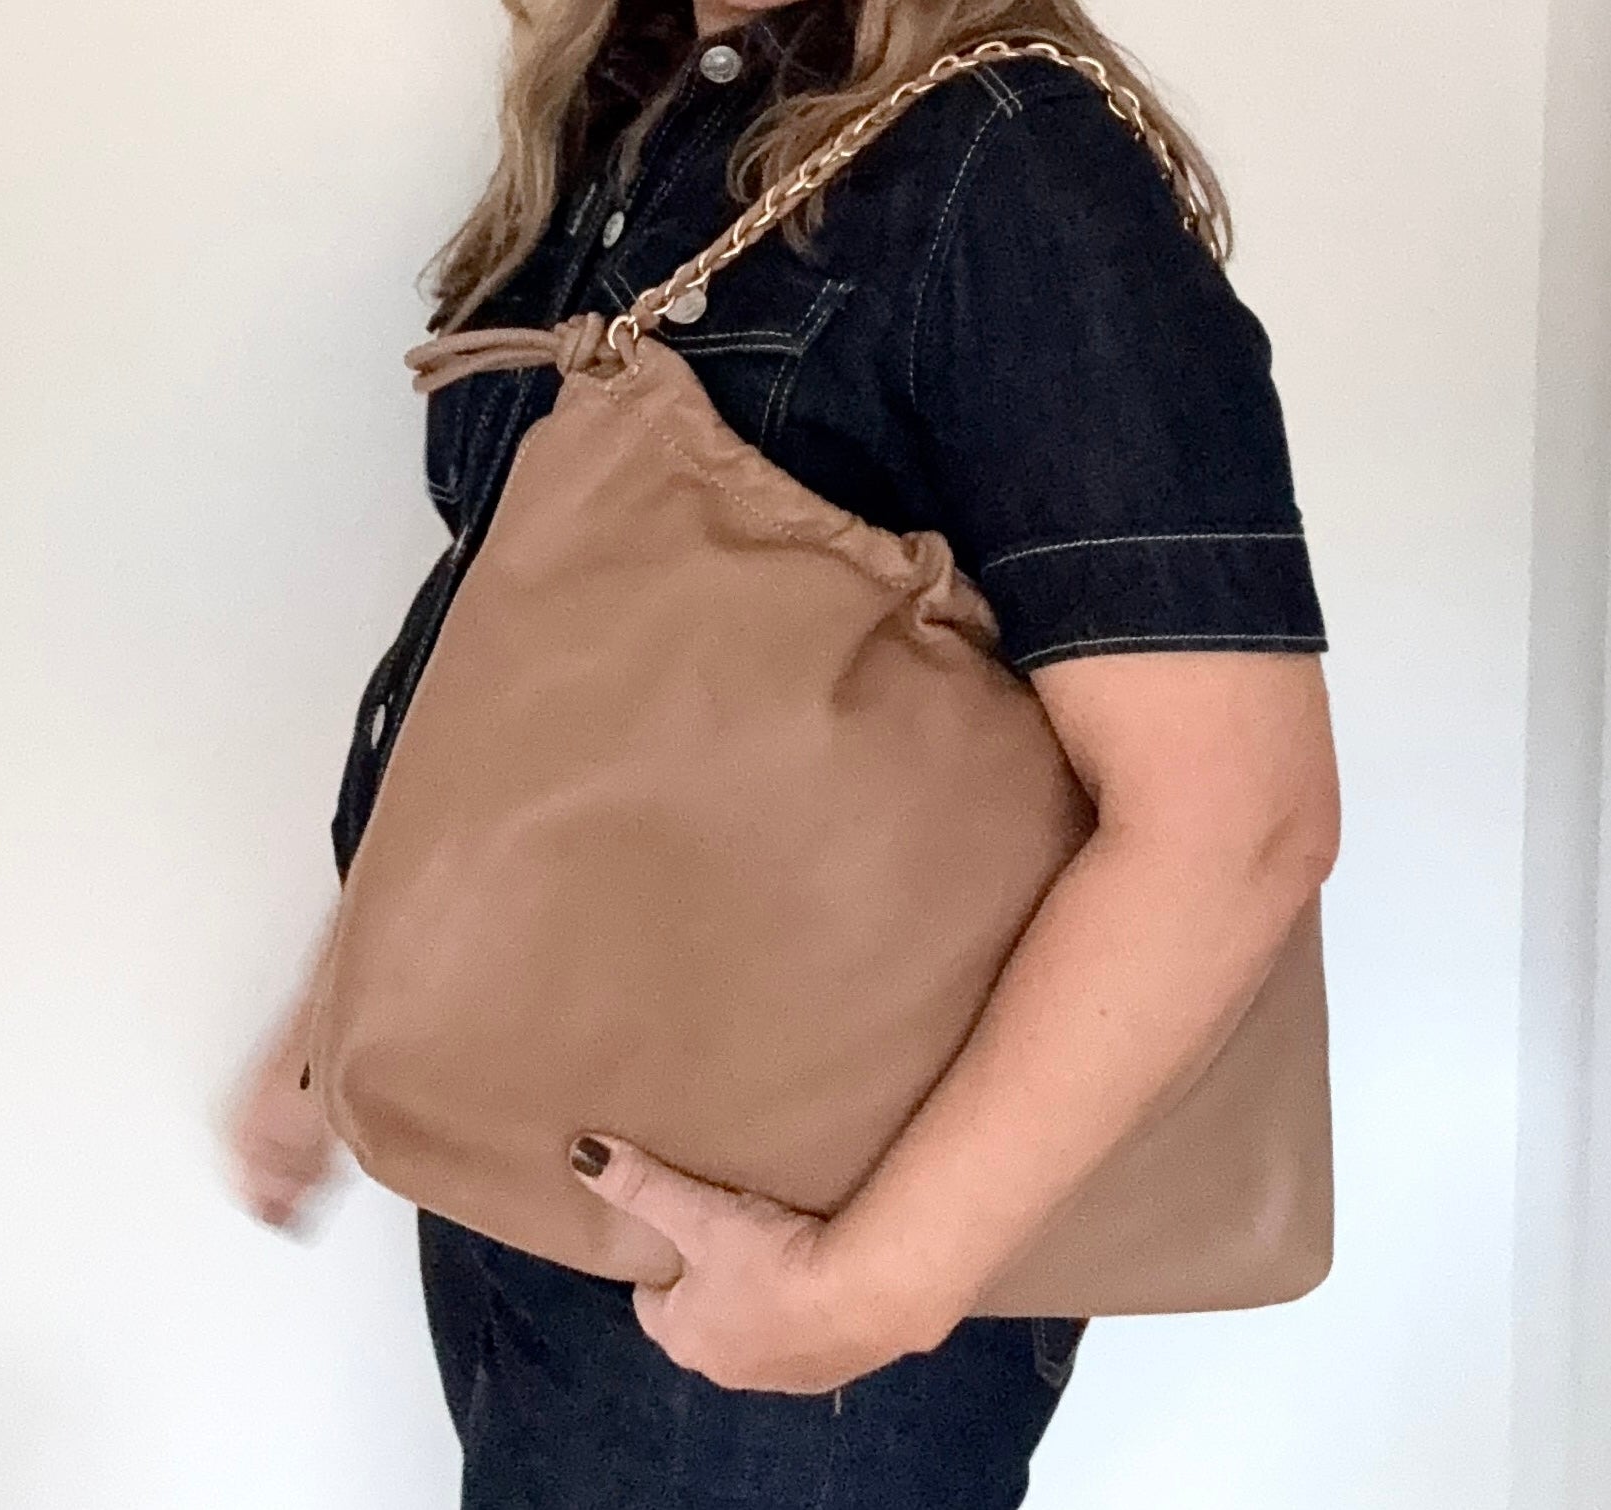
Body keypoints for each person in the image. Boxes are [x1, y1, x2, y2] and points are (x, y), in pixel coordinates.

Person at [226, 0, 1342, 1503]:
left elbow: (1236, 820)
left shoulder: (1004, 164)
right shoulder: (634, 115)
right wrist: (338, 1015)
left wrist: (865, 1291)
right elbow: (525, 680)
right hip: (527, 1154)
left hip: (792, 1229)